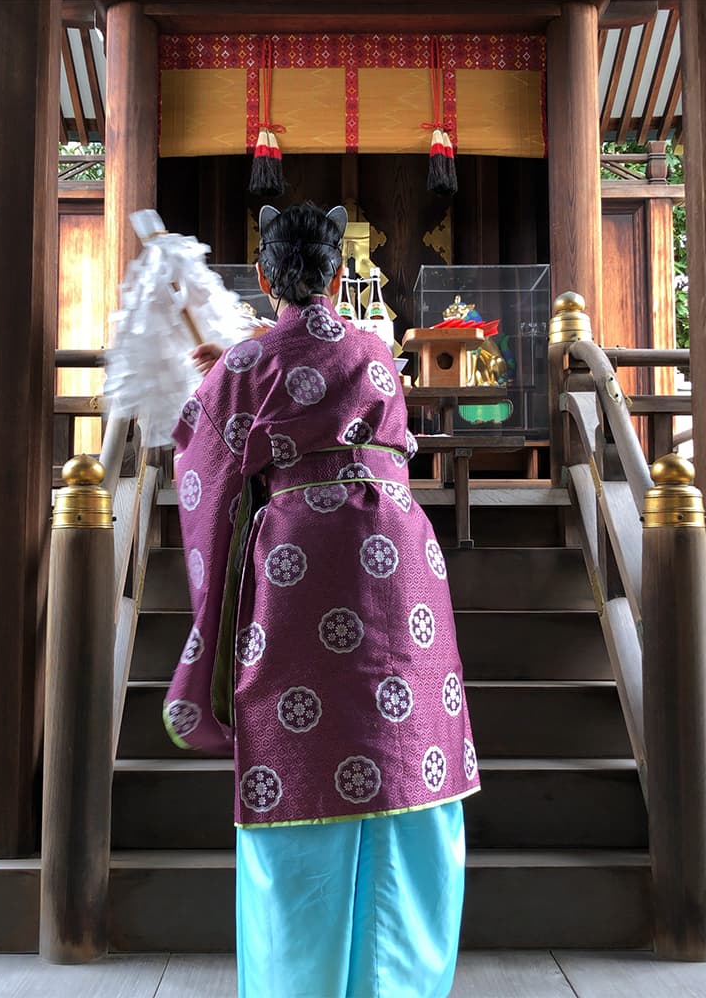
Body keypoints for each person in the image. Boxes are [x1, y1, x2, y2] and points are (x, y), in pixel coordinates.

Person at [165, 202, 480, 998]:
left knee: (300, 759)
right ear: (340, 273)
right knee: (410, 761)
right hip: (399, 557)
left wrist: (216, 378)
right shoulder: (379, 351)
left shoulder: (245, 363)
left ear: (265, 275)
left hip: (301, 560)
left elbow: (204, 457)